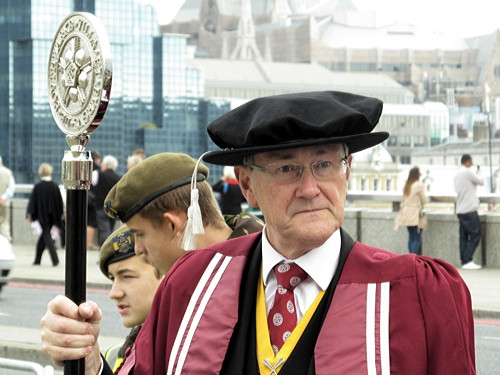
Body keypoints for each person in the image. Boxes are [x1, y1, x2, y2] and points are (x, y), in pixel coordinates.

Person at [41, 92, 475, 374]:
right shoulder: (192, 285)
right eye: (287, 168)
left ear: (347, 171)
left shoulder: (417, 294)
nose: (311, 188)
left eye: (325, 164)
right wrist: (90, 361)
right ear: (247, 185)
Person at [40, 152, 263, 374]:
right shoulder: (188, 287)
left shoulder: (269, 276)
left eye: (139, 234)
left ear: (172, 225)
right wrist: (91, 364)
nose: (137, 249)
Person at [99, 224, 164, 372]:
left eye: (127, 276)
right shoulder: (114, 356)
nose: (113, 293)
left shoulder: (188, 355)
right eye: (112, 279)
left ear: (167, 273)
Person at [26, 163, 64, 266]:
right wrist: (61, 213)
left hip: (41, 215)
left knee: (46, 236)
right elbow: (59, 202)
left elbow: (33, 202)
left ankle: (54, 259)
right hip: (53, 216)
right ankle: (37, 260)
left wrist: (30, 214)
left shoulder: (38, 187)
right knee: (44, 236)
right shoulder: (55, 186)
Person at [454, 154, 484, 270]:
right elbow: (481, 181)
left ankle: (464, 260)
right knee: (476, 234)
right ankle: (467, 259)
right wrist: (479, 172)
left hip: (460, 209)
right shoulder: (467, 172)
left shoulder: (457, 174)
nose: (471, 164)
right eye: (471, 162)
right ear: (467, 162)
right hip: (469, 209)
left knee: (463, 236)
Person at [394, 166, 427, 254]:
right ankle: (413, 258)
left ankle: (410, 257)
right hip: (415, 214)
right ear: (417, 175)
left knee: (411, 236)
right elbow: (424, 200)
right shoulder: (419, 185)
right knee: (417, 237)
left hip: (406, 213)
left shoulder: (407, 185)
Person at [92, 154, 121, 246]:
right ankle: (110, 249)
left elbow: (91, 186)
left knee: (104, 229)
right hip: (114, 207)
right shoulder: (119, 177)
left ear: (106, 165)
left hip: (100, 206)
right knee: (111, 229)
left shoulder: (98, 174)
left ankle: (106, 248)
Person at [88, 151, 101, 250]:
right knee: (91, 222)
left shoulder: (85, 167)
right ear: (96, 159)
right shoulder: (97, 170)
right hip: (93, 200)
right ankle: (89, 243)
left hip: (84, 198)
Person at [0, 155, 15, 242]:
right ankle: (7, 239)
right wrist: (3, 197)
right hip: (3, 202)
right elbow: (11, 188)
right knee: (3, 221)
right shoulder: (7, 172)